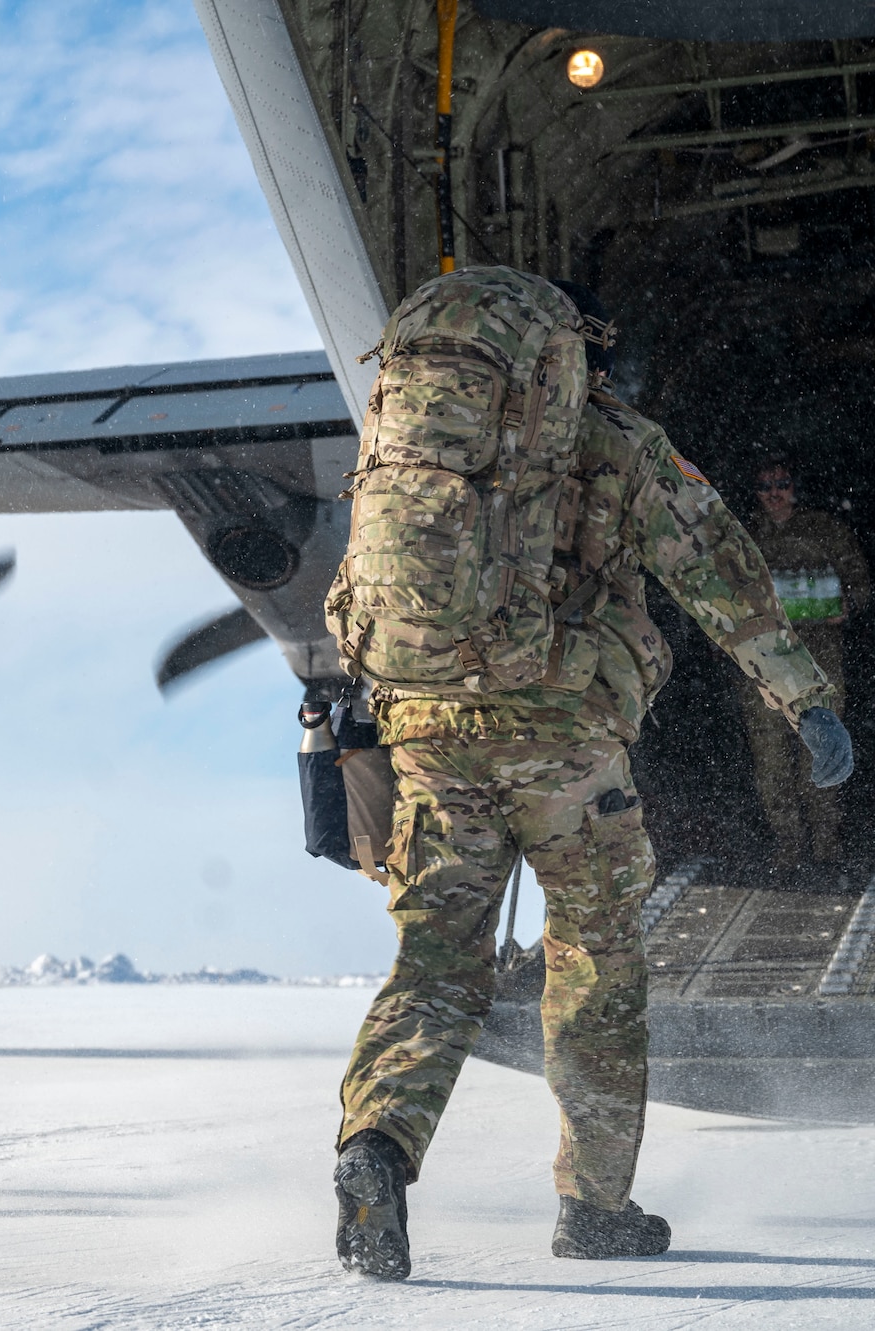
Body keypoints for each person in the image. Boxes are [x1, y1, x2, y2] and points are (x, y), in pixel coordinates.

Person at [328, 275, 849, 1279]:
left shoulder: (415, 440)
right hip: (563, 744)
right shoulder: (616, 445)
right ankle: (593, 1205)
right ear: (578, 359)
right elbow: (717, 572)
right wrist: (804, 696)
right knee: (593, 965)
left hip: (429, 734)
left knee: (434, 964)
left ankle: (374, 1149)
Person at [740, 458, 868, 873]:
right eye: (766, 486)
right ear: (755, 493)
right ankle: (789, 847)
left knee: (823, 754)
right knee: (771, 763)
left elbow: (861, 583)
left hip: (819, 663)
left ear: (795, 487)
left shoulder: (825, 530)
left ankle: (827, 846)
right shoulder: (742, 536)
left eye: (782, 483)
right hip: (760, 663)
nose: (774, 493)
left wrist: (846, 604)